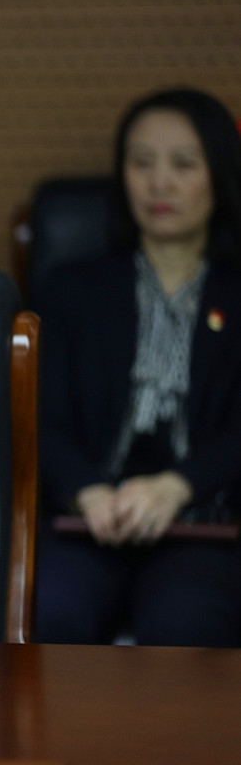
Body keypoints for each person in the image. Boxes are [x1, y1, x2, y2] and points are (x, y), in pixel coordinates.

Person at [35, 87, 241, 646]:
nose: (159, 183)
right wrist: (87, 491)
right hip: (89, 519)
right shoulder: (73, 290)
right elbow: (39, 418)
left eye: (183, 164)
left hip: (204, 522)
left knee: (186, 626)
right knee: (53, 613)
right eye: (142, 162)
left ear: (219, 174)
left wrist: (179, 486)